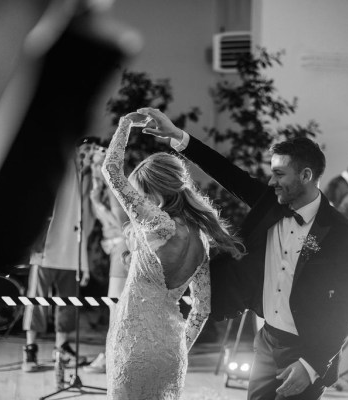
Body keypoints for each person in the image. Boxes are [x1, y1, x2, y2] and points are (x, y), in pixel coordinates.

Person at [138, 107, 348, 400]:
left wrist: (312, 365)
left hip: (309, 350)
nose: (272, 182)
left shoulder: (342, 233)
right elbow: (226, 172)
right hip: (268, 342)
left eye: (280, 174)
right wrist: (179, 137)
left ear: (306, 175)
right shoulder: (269, 204)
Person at [101, 112, 244, 399]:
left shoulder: (157, 223)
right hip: (172, 350)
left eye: (143, 194)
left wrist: (125, 125)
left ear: (155, 193)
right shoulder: (202, 240)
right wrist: (178, 346)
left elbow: (111, 171)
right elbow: (202, 310)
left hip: (133, 343)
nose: (141, 201)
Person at [21, 145, 93, 372]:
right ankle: (30, 349)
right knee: (36, 301)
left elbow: (88, 217)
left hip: (73, 249)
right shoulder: (54, 159)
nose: (89, 152)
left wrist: (85, 261)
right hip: (47, 247)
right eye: (86, 147)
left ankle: (62, 348)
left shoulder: (90, 175)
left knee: (68, 303)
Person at [82, 145, 130, 374]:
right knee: (117, 305)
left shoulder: (113, 189)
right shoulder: (98, 190)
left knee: (115, 306)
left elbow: (123, 223)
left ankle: (112, 358)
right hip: (114, 248)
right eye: (92, 164)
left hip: (122, 247)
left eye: (97, 164)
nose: (94, 168)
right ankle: (115, 356)